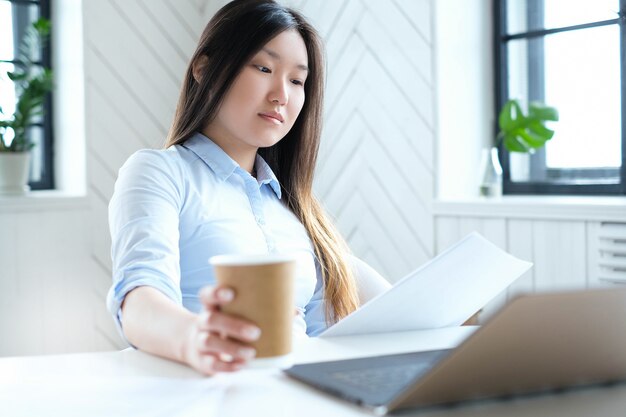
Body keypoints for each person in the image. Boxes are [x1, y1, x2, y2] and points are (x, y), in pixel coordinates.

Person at [107, 0, 387, 376]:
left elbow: (325, 340)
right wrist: (195, 338)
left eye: (296, 80)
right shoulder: (160, 172)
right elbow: (138, 299)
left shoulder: (294, 211)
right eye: (264, 67)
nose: (281, 95)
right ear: (204, 70)